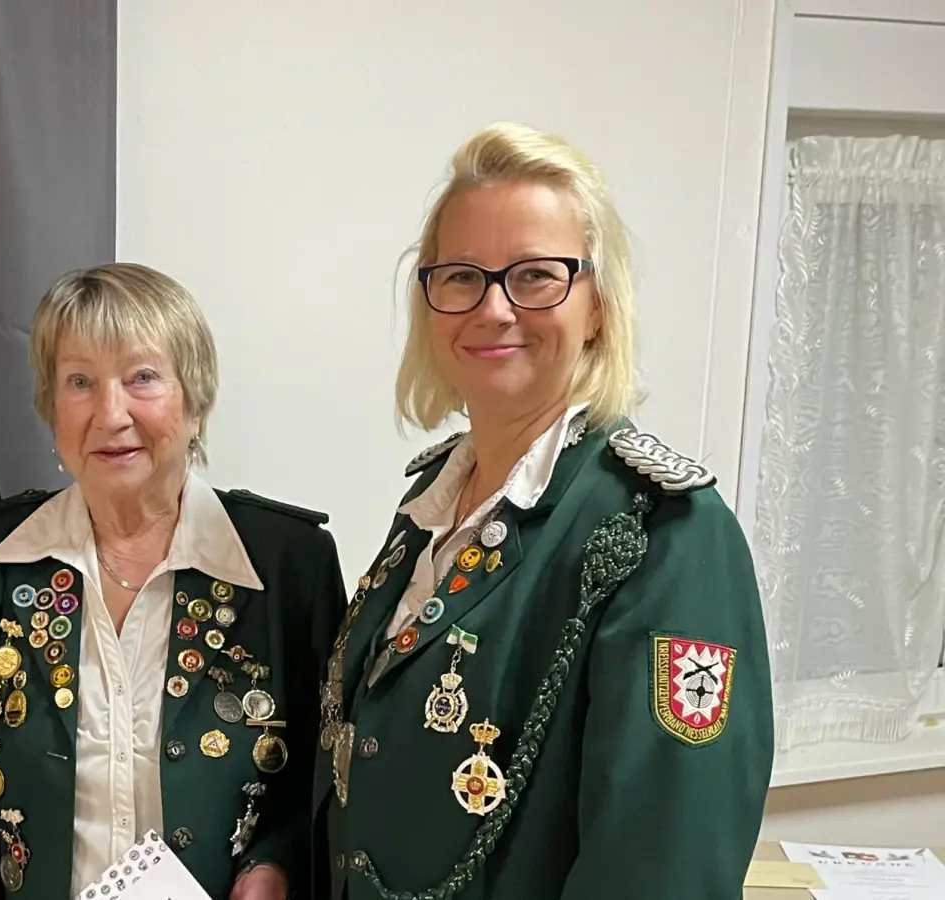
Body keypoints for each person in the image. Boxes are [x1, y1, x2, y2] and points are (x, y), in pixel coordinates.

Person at [317, 123, 772, 900]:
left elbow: (661, 872)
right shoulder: (426, 506)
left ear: (597, 307)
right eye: (462, 276)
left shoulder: (662, 534)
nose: (494, 309)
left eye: (535, 276)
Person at [0, 263, 345, 900]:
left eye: (142, 378)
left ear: (194, 402)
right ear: (51, 407)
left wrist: (275, 865)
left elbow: (324, 776)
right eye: (80, 381)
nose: (110, 413)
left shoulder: (287, 565)